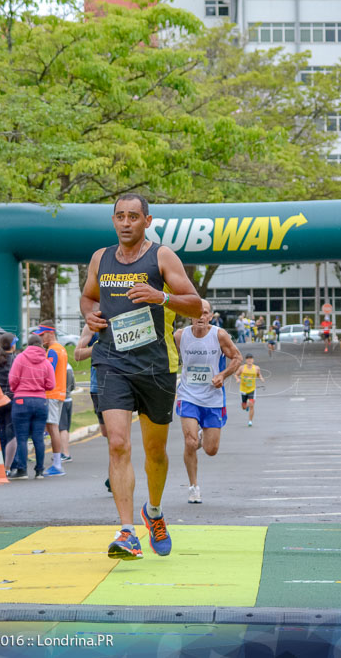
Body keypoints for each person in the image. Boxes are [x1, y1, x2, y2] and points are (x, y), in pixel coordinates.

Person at [80, 193, 202, 559]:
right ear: (113, 221)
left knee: (156, 452)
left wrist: (160, 297)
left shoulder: (162, 256)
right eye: (120, 216)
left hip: (156, 365)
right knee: (117, 442)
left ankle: (153, 512)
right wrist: (89, 315)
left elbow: (195, 304)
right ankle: (127, 530)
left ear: (147, 221)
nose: (126, 222)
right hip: (111, 360)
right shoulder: (100, 258)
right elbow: (88, 297)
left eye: (134, 216)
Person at [174, 299, 242, 504]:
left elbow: (237, 357)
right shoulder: (180, 336)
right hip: (188, 395)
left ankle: (202, 436)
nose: (201, 317)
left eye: (205, 313)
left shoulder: (219, 335)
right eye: (197, 313)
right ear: (190, 315)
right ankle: (193, 487)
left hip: (213, 398)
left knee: (211, 450)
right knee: (190, 442)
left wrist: (222, 375)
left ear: (211, 316)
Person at [7, 334, 54, 479]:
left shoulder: (20, 358)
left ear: (28, 344)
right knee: (38, 437)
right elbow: (51, 384)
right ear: (40, 345)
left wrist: (17, 389)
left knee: (21, 437)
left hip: (22, 400)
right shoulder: (46, 361)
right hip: (41, 401)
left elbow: (13, 379)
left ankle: (22, 470)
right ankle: (39, 470)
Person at [74, 325, 111, 493]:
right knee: (106, 433)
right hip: (98, 386)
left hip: (119, 384)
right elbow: (78, 354)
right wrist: (97, 347)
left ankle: (115, 474)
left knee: (117, 433)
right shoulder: (91, 327)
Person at [34, 321, 69, 476]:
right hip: (58, 393)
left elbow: (48, 372)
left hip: (51, 394)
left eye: (42, 335)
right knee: (52, 427)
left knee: (53, 427)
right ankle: (57, 462)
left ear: (50, 333)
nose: (40, 338)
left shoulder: (53, 351)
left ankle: (57, 464)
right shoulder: (61, 349)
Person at [0, 333, 18, 471]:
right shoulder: (17, 359)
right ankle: (12, 463)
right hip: (13, 399)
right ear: (13, 345)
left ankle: (0, 461)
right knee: (12, 433)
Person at [234, 354, 264, 426]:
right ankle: (246, 406)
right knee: (244, 407)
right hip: (243, 389)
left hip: (252, 389)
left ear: (253, 360)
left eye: (251, 359)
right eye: (248, 359)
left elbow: (259, 374)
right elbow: (236, 374)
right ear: (246, 360)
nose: (249, 360)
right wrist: (237, 379)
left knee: (252, 405)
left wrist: (261, 378)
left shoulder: (256, 368)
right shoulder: (242, 368)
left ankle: (250, 421)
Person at [59, 360, 75, 463]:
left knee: (62, 428)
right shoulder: (69, 367)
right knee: (66, 428)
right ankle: (65, 452)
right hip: (69, 399)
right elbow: (73, 385)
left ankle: (65, 453)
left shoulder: (61, 369)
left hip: (62, 400)